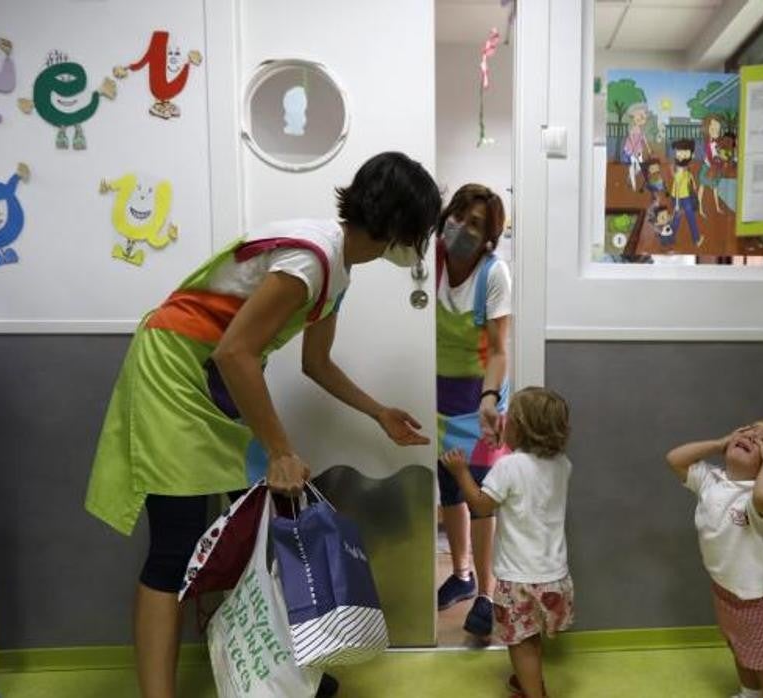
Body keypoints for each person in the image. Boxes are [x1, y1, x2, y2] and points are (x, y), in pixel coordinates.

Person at [84, 152, 441, 698]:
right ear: (398, 225)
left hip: (216, 383)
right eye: (420, 231)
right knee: (177, 544)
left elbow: (315, 364)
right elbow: (235, 353)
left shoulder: (336, 271)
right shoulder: (312, 260)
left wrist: (379, 413)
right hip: (175, 371)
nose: (419, 245)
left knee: (242, 537)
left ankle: (265, 676)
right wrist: (279, 450)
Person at [445, 387, 575, 698]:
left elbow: (480, 506)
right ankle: (530, 682)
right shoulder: (562, 464)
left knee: (520, 641)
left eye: (509, 421)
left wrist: (461, 472)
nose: (504, 424)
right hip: (554, 575)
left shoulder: (508, 467)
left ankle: (534, 694)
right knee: (532, 636)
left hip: (519, 579)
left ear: (520, 428)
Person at [665, 420, 763, 698]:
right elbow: (675, 459)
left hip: (759, 599)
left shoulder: (761, 499)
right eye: (751, 429)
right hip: (726, 590)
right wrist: (720, 442)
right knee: (740, 649)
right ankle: (749, 694)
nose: (752, 436)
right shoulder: (712, 480)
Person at [432, 184, 514, 637]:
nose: (461, 226)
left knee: (480, 498)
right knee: (449, 488)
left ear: (489, 238)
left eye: (475, 223)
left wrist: (488, 401)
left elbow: (501, 350)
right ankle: (460, 575)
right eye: (458, 214)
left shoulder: (493, 274)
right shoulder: (431, 262)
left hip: (478, 400)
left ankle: (486, 592)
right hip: (436, 398)